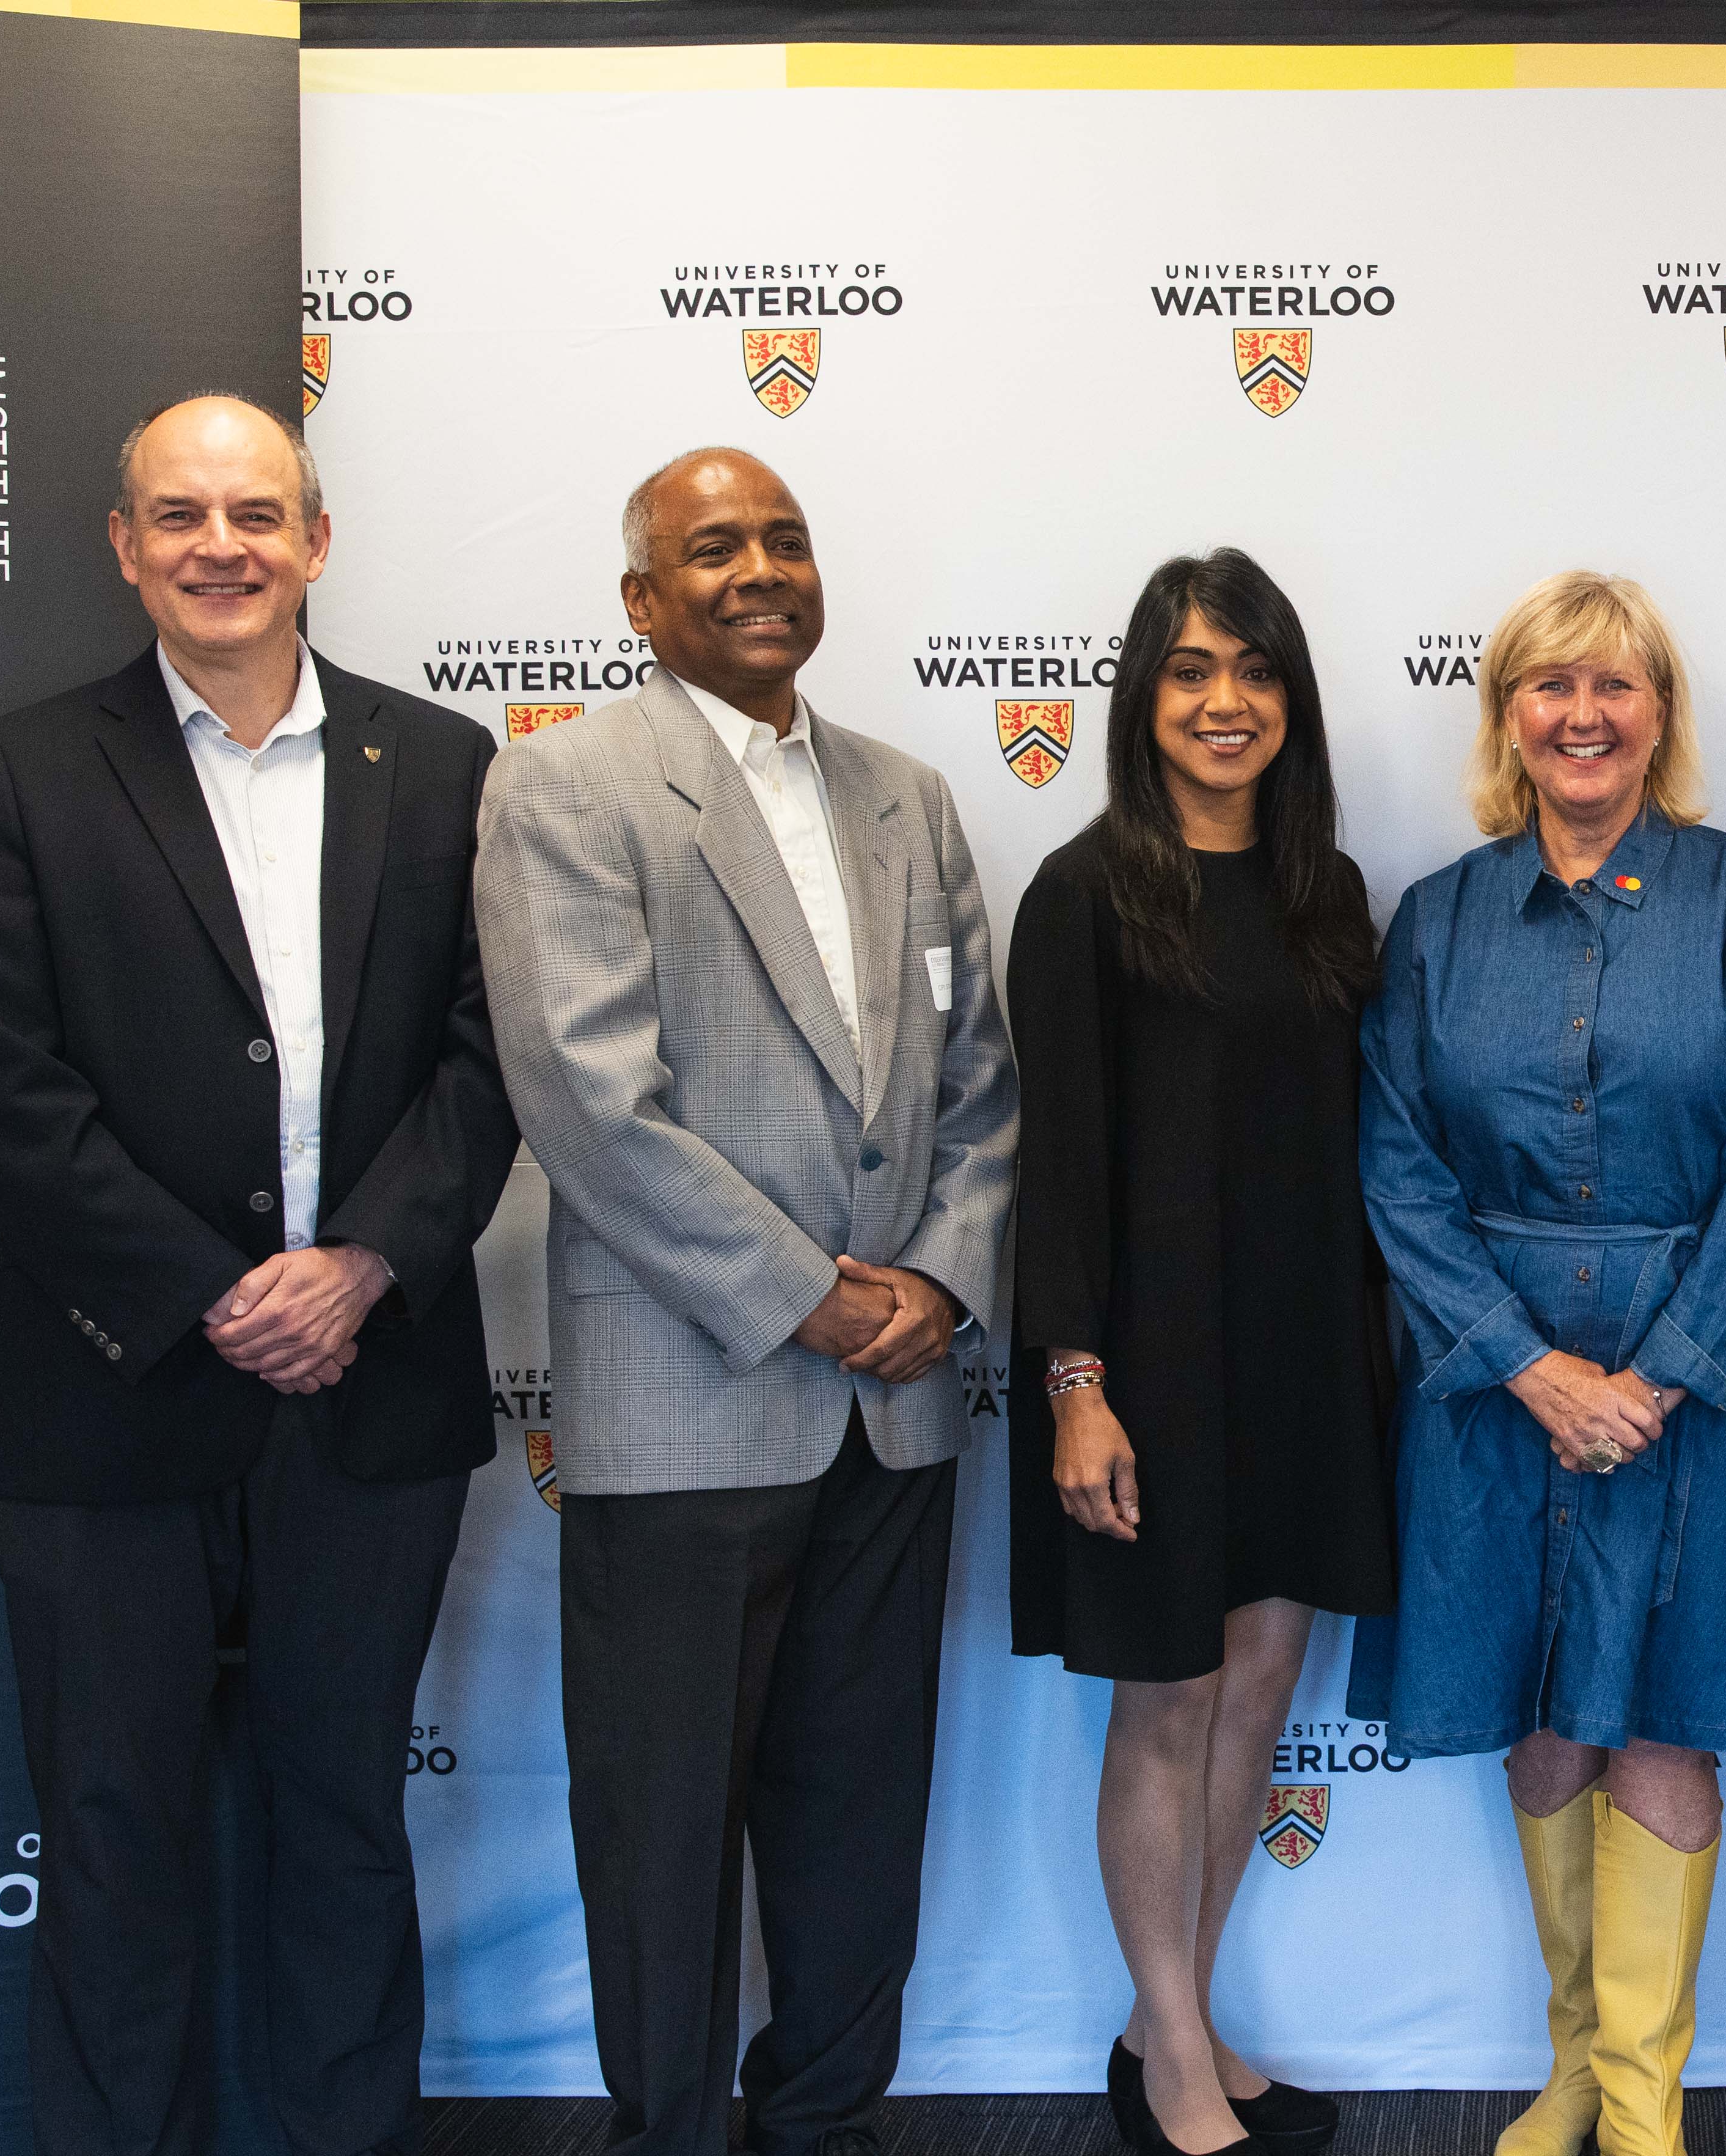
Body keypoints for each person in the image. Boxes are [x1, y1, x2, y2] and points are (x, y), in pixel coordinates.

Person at [0, 393, 517, 2156]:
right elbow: (9, 1089)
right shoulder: (26, 769)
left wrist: (362, 1269)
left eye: (255, 514)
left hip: (370, 1385)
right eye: (178, 516)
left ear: (316, 542)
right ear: (124, 548)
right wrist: (218, 1291)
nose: (219, 546)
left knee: (344, 1821)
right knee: (120, 1836)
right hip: (114, 1393)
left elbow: (491, 1064)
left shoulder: (444, 767)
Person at [472, 446, 1019, 2156]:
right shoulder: (570, 787)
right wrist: (811, 1299)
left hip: (898, 1410)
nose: (759, 568)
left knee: (857, 1820)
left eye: (784, 538)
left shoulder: (908, 795)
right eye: (712, 548)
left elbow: (983, 1089)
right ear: (642, 601)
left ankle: (827, 2122)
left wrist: (937, 1276)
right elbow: (585, 1102)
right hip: (689, 1401)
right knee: (664, 1829)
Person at [1355, 570, 1726, 2156]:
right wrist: (1525, 1364)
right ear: (1506, 717)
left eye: (1614, 686)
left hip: (1699, 1387)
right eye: (1547, 686)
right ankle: (1573, 2064)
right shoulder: (1438, 917)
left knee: (1660, 1714)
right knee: (1540, 1715)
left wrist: (1658, 1371)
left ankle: (1645, 2101)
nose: (1582, 715)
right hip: (1493, 1389)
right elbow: (1394, 1161)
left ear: (1660, 715)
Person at [1006, 549, 1389, 2156]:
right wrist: (1077, 1387)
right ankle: (1168, 2057)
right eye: (1187, 670)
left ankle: (1182, 2010)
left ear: (1288, 699)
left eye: (1251, 669)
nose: (1223, 701)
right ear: (1140, 701)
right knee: (1164, 1705)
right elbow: (1060, 1166)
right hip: (1148, 1366)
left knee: (1258, 1687)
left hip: (1304, 1352)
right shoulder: (1084, 893)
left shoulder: (1328, 895)